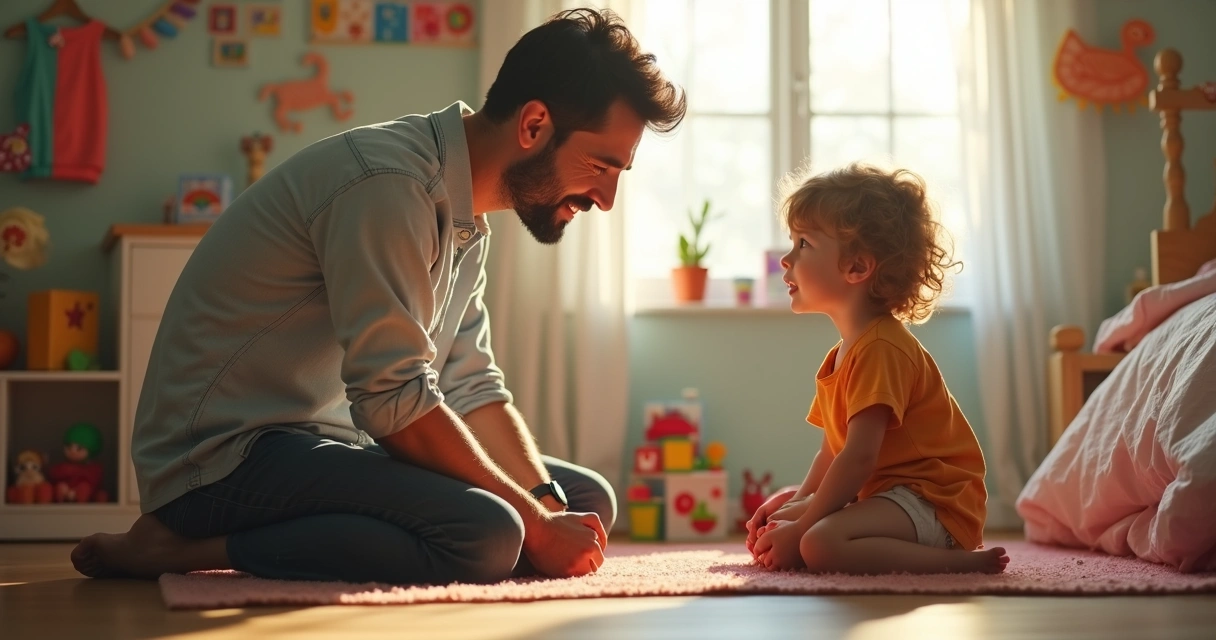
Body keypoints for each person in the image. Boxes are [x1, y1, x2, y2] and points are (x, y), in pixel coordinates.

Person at [71, 8, 685, 585]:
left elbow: (470, 385)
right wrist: (529, 522)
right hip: (223, 459)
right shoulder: (389, 185)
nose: (605, 200)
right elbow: (392, 400)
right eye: (601, 167)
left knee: (584, 501)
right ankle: (179, 550)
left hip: (326, 444)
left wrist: (546, 507)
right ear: (533, 125)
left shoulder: (465, 216)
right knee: (491, 533)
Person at [746, 163, 1009, 574]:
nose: (786, 259)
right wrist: (796, 508)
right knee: (794, 517)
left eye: (804, 244)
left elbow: (858, 458)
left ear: (857, 268)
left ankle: (956, 563)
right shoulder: (843, 353)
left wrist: (802, 525)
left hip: (934, 504)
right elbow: (832, 451)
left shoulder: (882, 348)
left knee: (818, 543)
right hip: (891, 498)